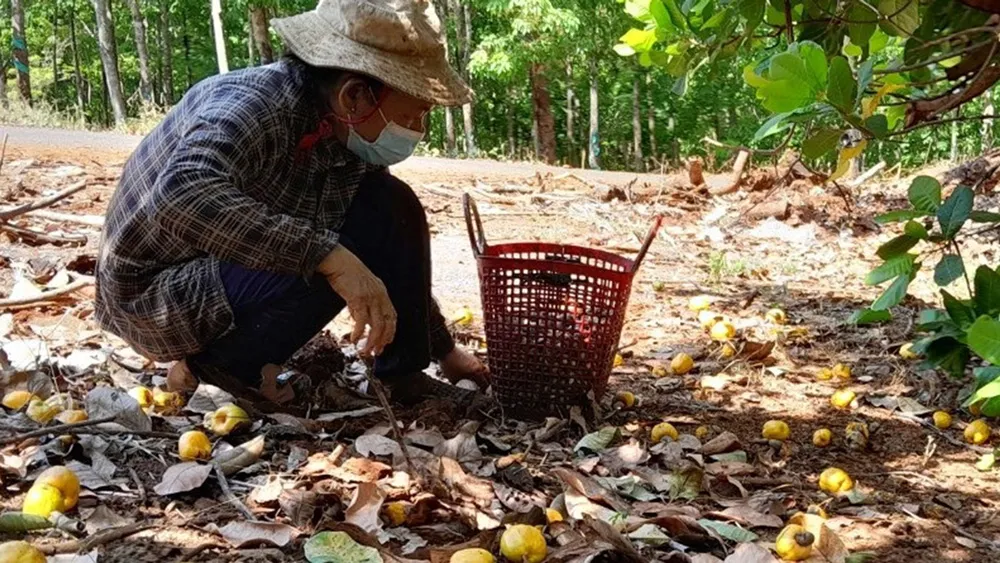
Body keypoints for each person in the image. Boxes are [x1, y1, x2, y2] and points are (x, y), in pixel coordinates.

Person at [94, 0, 488, 410]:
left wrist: (444, 349)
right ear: (354, 95)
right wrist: (330, 258)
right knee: (333, 255)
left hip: (226, 270)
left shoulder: (345, 131)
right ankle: (219, 369)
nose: (418, 129)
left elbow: (388, 238)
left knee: (390, 205)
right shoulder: (252, 107)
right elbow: (180, 195)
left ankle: (404, 375)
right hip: (155, 292)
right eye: (414, 115)